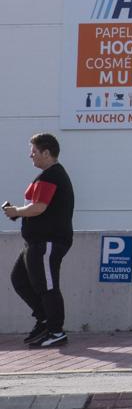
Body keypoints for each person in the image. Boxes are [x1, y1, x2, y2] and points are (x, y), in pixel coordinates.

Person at [3, 133, 75, 349]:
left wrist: (16, 211)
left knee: (47, 287)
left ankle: (56, 331)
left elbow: (39, 208)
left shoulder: (51, 175)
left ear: (46, 152)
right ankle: (44, 320)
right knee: (20, 280)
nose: (30, 155)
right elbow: (37, 207)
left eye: (34, 151)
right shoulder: (46, 175)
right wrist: (19, 212)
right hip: (34, 243)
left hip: (47, 242)